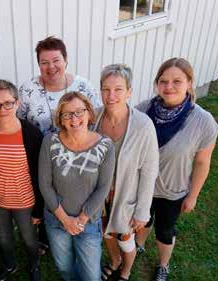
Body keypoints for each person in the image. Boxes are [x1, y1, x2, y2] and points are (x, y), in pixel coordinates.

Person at [135, 58, 218, 281]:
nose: (169, 87)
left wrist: (193, 196)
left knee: (164, 231)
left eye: (177, 81)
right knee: (143, 220)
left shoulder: (203, 121)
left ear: (190, 83)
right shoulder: (143, 110)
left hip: (173, 191)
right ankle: (139, 245)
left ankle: (163, 265)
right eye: (163, 81)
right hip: (142, 186)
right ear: (156, 84)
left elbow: (202, 163)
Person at [18, 36, 102, 254]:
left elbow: (95, 119)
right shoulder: (28, 89)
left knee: (75, 195)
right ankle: (49, 234)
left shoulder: (82, 86)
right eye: (44, 62)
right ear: (39, 65)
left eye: (56, 60)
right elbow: (20, 122)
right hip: (42, 158)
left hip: (79, 157)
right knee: (46, 194)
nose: (51, 67)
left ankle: (80, 229)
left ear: (65, 60)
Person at [39, 92, 115, 281]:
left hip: (88, 223)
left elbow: (103, 188)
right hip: (56, 221)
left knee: (91, 276)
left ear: (89, 113)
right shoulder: (50, 142)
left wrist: (80, 219)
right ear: (61, 120)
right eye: (67, 114)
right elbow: (44, 184)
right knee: (64, 268)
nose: (74, 119)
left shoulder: (105, 146)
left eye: (80, 111)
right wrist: (65, 220)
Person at [93, 64, 159, 281]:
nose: (111, 95)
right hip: (100, 194)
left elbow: (149, 171)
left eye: (118, 89)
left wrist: (142, 210)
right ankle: (114, 261)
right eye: (106, 89)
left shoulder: (143, 125)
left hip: (127, 195)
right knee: (106, 232)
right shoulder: (93, 118)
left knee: (125, 237)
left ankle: (126, 270)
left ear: (129, 92)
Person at [0, 79, 43, 281]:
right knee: (4, 238)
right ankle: (10, 264)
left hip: (25, 201)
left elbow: (39, 173)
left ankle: (34, 264)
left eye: (8, 103)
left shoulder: (30, 133)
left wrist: (39, 207)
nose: (2, 108)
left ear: (17, 103)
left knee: (30, 239)